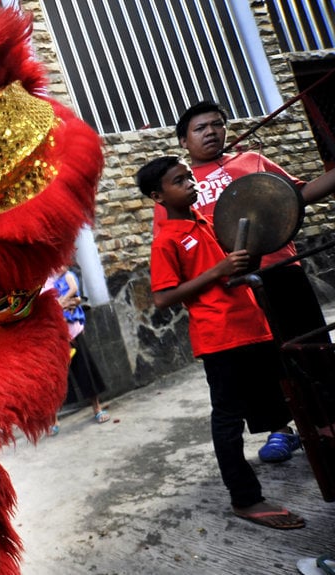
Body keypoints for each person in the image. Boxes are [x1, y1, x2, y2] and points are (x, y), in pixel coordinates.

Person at [137, 155, 305, 530]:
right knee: (228, 420)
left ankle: (304, 446)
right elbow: (164, 297)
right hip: (220, 339)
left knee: (289, 394)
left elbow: (236, 270)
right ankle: (245, 499)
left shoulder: (206, 222)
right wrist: (219, 271)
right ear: (156, 196)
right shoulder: (166, 240)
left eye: (187, 177)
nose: (190, 184)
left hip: (253, 326)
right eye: (179, 181)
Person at [155, 100, 335, 346]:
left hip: (281, 268)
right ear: (183, 141)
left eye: (217, 124)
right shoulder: (175, 188)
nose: (211, 131)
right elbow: (174, 248)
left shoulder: (250, 160)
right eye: (200, 128)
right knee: (271, 359)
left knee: (313, 344)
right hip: (232, 287)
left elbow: (297, 196)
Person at [43, 266, 109, 435]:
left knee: (85, 370)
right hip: (51, 337)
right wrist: (58, 306)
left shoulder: (64, 275)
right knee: (53, 379)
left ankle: (97, 408)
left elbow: (76, 298)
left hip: (73, 331)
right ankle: (53, 420)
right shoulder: (36, 284)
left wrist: (69, 303)